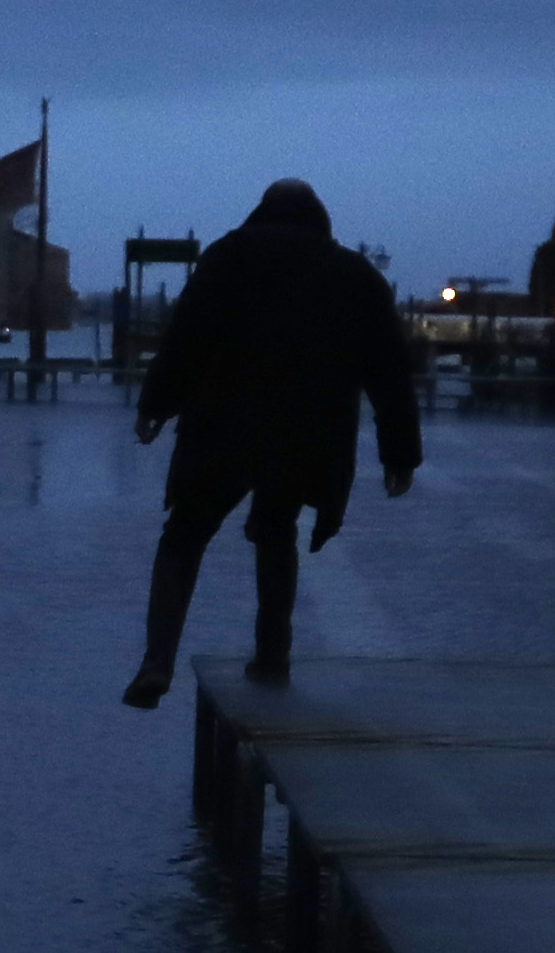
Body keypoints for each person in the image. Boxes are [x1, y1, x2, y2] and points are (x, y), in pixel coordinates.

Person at [120, 179, 421, 705]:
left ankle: (157, 660)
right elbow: (389, 369)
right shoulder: (354, 275)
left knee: (185, 535)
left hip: (222, 424)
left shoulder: (225, 259)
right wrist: (400, 455)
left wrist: (155, 407)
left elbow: (186, 339)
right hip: (304, 433)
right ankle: (272, 658)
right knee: (275, 531)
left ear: (262, 212)